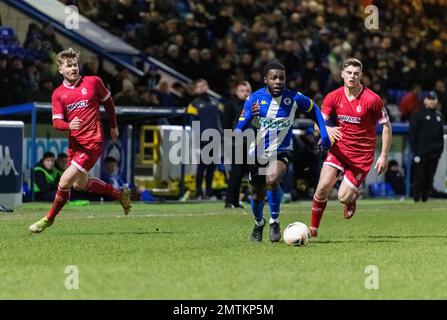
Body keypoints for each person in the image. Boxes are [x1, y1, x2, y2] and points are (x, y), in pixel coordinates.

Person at [29, 48, 131, 233]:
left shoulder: (93, 82)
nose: (73, 68)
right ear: (60, 69)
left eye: (75, 64)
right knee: (79, 184)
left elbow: (108, 102)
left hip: (93, 142)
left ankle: (48, 219)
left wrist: (113, 126)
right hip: (75, 144)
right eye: (69, 66)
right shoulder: (58, 94)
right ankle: (119, 193)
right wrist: (70, 125)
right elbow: (57, 122)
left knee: (64, 181)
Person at [235, 61, 331, 242]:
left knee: (272, 179)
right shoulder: (254, 99)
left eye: (281, 78)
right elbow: (237, 131)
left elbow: (315, 110)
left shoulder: (294, 98)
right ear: (266, 80)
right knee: (257, 194)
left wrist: (324, 134)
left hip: (283, 149)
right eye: (273, 78)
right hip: (258, 152)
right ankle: (258, 223)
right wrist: (248, 117)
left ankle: (274, 221)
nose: (278, 81)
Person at [309, 58, 392, 237]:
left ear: (361, 75)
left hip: (361, 156)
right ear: (342, 74)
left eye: (356, 73)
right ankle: (313, 230)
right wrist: (328, 129)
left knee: (342, 197)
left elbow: (386, 126)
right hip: (338, 150)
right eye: (349, 73)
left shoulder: (372, 99)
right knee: (322, 187)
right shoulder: (333, 96)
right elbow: (318, 124)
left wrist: (384, 155)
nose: (352, 76)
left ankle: (351, 199)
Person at [186, 79, 224, 199]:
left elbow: (222, 119)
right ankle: (198, 192)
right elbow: (192, 122)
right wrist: (198, 137)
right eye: (199, 86)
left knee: (212, 167)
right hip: (203, 138)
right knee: (202, 166)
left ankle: (208, 192)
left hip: (216, 137)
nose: (202, 87)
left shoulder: (216, 102)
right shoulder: (193, 104)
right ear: (196, 89)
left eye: (204, 85)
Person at [409, 91, 445, 202]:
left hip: (434, 152)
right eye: (430, 99)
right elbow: (412, 134)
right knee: (419, 175)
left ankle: (425, 198)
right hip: (421, 151)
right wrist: (415, 150)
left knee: (430, 176)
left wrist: (440, 150)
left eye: (434, 99)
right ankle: (416, 198)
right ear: (425, 100)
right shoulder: (418, 115)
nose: (432, 101)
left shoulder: (439, 115)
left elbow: (440, 135)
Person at [222, 81, 252, 208]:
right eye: (242, 90)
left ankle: (235, 201)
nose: (245, 93)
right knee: (236, 172)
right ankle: (229, 201)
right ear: (236, 92)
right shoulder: (231, 104)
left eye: (247, 91)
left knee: (242, 173)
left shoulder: (252, 105)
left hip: (250, 142)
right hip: (236, 143)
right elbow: (226, 124)